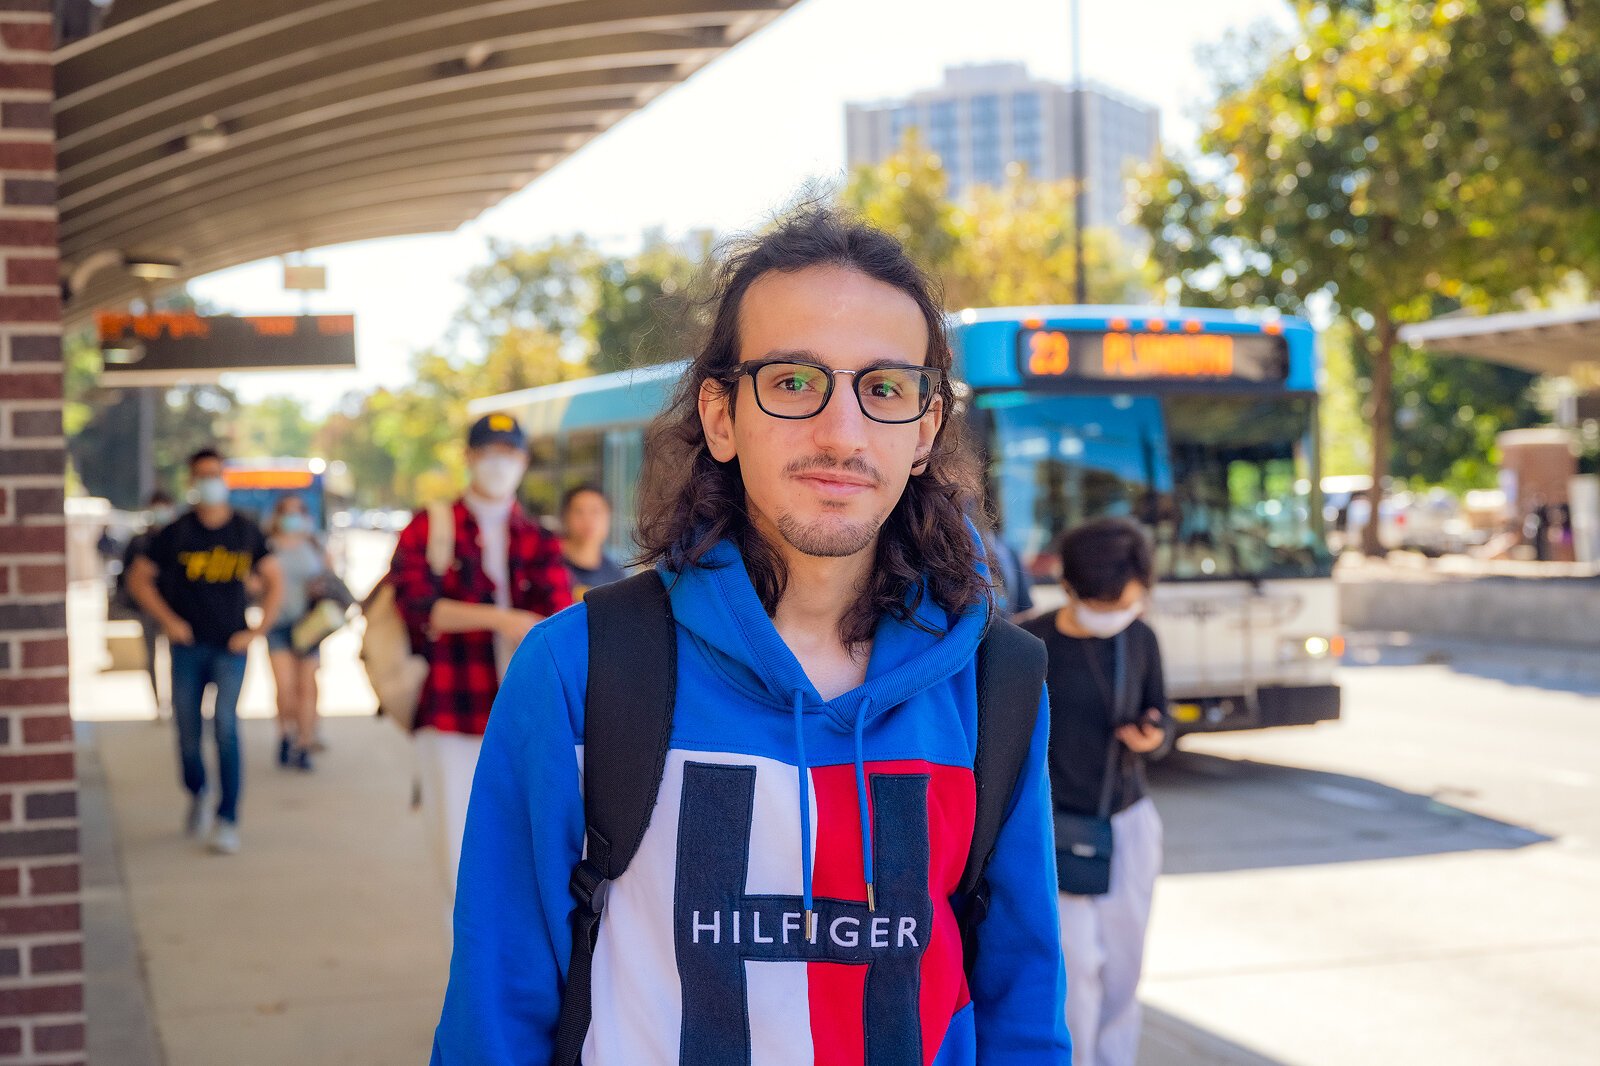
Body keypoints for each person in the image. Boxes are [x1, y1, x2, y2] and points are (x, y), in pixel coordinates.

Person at [433, 209, 1071, 1062]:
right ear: (722, 416)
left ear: (923, 432)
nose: (842, 433)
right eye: (796, 382)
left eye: (883, 389)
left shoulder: (999, 687)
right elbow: (493, 1014)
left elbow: (1024, 1014)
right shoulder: (576, 673)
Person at [389, 413, 572, 904]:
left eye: (509, 454)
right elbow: (415, 606)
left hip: (524, 718)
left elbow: (558, 620)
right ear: (469, 457)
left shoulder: (538, 537)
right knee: (458, 866)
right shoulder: (429, 528)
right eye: (488, 452)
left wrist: (482, 617)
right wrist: (502, 619)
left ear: (524, 462)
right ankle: (469, 979)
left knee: (526, 867)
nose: (499, 464)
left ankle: (510, 979)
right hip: (450, 715)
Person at [1022, 518, 1169, 1066]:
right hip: (1052, 826)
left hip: (1127, 820)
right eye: (1104, 604)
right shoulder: (1028, 645)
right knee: (1074, 964)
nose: (1116, 616)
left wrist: (1152, 732)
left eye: (1127, 604)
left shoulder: (1141, 638)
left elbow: (1160, 710)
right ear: (1069, 589)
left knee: (1124, 967)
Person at [126, 448, 282, 855]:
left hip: (231, 646)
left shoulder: (246, 531)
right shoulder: (176, 532)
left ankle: (227, 816)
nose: (209, 481)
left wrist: (258, 630)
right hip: (187, 649)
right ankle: (197, 789)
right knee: (189, 734)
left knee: (227, 727)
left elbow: (274, 580)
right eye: (202, 475)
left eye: (215, 473)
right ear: (192, 482)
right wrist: (168, 621)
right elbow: (140, 580)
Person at [264, 494, 332, 771]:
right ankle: (285, 734)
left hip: (309, 626)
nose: (292, 517)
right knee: (285, 687)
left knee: (307, 687)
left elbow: (331, 584)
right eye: (286, 511)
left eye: (298, 511)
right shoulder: (268, 548)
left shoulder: (315, 546)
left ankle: (304, 743)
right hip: (278, 625)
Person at [118, 490, 177, 717]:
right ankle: (157, 703)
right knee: (151, 655)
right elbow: (130, 576)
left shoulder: (178, 538)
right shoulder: (140, 541)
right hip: (147, 608)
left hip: (174, 608)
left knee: (175, 659)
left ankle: (173, 702)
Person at [558, 483, 627, 600]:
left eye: (596, 511)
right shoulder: (547, 564)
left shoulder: (616, 576)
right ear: (565, 517)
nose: (588, 519)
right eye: (579, 512)